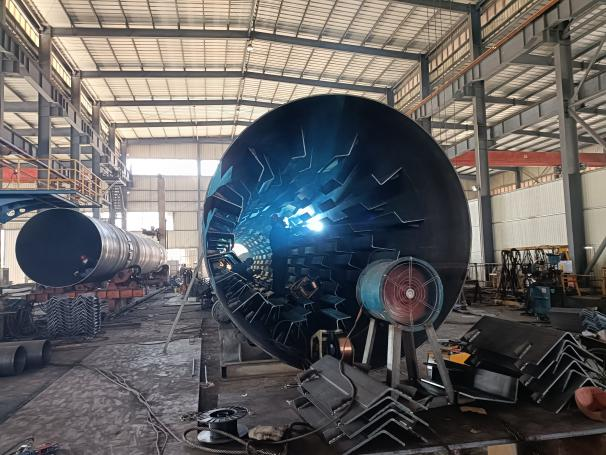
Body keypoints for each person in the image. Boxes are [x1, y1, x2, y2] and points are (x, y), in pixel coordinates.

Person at [269, 214, 290, 297]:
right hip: (280, 255)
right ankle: (279, 293)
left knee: (277, 275)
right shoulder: (278, 229)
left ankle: (276, 292)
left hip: (277, 256)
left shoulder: (273, 230)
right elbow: (285, 240)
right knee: (280, 275)